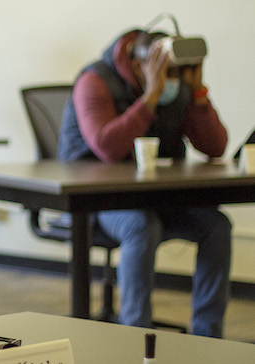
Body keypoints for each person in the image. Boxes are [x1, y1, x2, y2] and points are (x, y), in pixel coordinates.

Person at [58, 28, 231, 337]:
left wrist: (198, 92)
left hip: (155, 198)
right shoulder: (95, 82)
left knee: (217, 225)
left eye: (178, 72)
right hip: (97, 203)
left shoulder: (178, 89)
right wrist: (150, 97)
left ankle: (209, 335)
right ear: (140, 66)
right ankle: (134, 337)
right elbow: (108, 147)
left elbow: (215, 147)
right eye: (169, 71)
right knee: (142, 226)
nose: (173, 80)